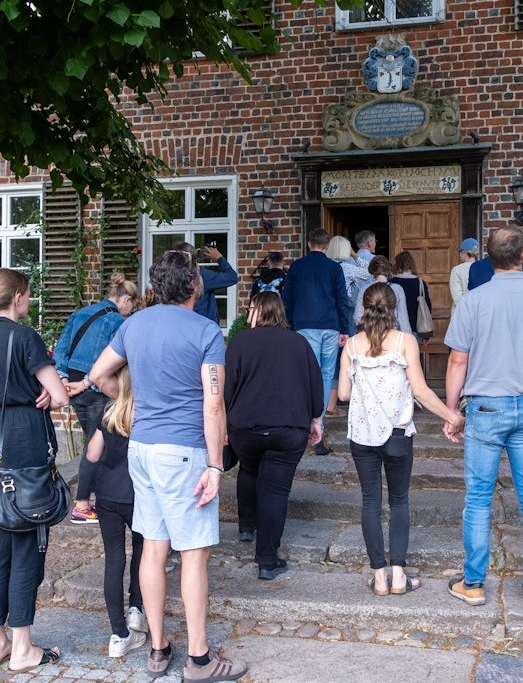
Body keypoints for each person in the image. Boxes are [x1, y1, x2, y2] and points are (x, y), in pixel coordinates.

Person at [89, 249, 247, 682]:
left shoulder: (133, 324)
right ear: (196, 285)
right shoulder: (205, 331)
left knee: (153, 548)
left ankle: (158, 650)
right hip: (185, 451)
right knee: (194, 555)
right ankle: (199, 659)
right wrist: (216, 465)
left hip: (142, 447)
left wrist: (131, 404)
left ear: (156, 287)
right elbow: (213, 403)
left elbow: (99, 376)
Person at [443, 227, 523, 611]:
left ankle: (474, 584)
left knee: (479, 498)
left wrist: (453, 410)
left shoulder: (473, 300)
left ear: (488, 257)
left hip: (486, 407)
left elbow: (457, 360)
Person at [0, 268, 69, 674]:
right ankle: (24, 647)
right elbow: (59, 396)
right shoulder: (25, 337)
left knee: (0, 538)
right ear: (18, 297)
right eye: (28, 295)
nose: (30, 301)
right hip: (25, 436)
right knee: (29, 540)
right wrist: (49, 389)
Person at [338, 283, 464, 596]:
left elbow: (342, 393)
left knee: (370, 500)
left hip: (363, 435)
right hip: (396, 433)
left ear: (363, 307)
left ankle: (378, 578)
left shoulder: (351, 346)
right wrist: (452, 417)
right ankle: (398, 576)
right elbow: (420, 390)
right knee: (399, 500)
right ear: (394, 308)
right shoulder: (405, 342)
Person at [225, 292, 324, 579]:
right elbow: (314, 386)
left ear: (256, 312)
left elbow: (227, 388)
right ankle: (267, 560)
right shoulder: (298, 343)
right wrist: (315, 418)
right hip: (289, 427)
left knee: (250, 469)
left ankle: (246, 526)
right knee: (276, 490)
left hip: (246, 427)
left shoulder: (241, 341)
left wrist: (224, 425)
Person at [54, 272, 140, 525]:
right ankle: (82, 505)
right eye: (132, 305)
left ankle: (97, 497)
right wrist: (86, 383)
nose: (130, 311)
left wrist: (62, 380)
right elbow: (112, 360)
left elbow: (61, 348)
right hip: (94, 388)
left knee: (92, 441)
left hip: (73, 388)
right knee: (95, 445)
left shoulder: (80, 313)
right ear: (125, 299)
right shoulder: (117, 321)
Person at [84, 368, 149, 658]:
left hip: (108, 496)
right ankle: (137, 608)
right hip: (138, 495)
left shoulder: (108, 414)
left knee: (114, 558)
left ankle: (118, 633)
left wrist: (83, 496)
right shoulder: (147, 414)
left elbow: (92, 455)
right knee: (142, 553)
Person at [282, 229, 352, 455]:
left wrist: (291, 324)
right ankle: (318, 426)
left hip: (304, 325)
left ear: (309, 243)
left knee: (304, 376)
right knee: (324, 376)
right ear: (327, 245)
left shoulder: (296, 267)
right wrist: (344, 328)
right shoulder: (334, 268)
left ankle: (303, 426)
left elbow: (287, 299)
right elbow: (342, 300)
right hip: (330, 326)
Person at [325, 235, 371, 417]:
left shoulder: (326, 268)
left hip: (328, 314)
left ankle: (330, 403)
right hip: (347, 314)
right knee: (352, 356)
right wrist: (355, 254)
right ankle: (349, 400)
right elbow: (370, 271)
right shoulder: (348, 269)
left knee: (331, 359)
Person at [174, 241, 238, 325]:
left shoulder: (172, 276)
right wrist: (219, 259)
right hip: (204, 327)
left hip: (181, 325)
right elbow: (232, 277)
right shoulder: (202, 276)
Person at [353, 256, 411, 334]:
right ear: (388, 270)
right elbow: (403, 319)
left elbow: (357, 317)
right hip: (392, 335)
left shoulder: (364, 289)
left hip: (370, 334)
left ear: (372, 271)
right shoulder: (397, 289)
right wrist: (407, 338)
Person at [389, 251, 433, 343]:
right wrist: (426, 334)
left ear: (397, 264)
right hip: (416, 328)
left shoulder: (392, 283)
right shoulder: (420, 283)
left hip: (394, 329)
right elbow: (427, 307)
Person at [450, 238, 479, 312]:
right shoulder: (483, 268)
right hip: (479, 313)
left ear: (464, 252)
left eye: (460, 252)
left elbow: (457, 298)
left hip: (461, 313)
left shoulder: (457, 270)